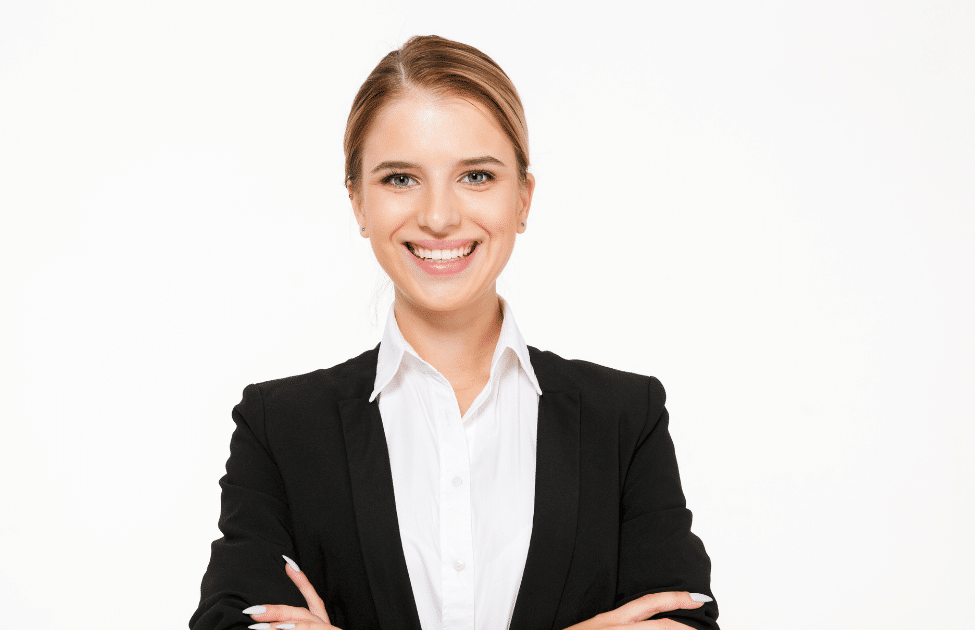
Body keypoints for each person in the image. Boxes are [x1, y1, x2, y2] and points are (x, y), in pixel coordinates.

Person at [190, 35, 719, 630]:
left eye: (475, 175)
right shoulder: (279, 428)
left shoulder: (625, 420)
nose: (439, 217)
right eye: (399, 179)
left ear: (523, 198)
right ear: (358, 203)